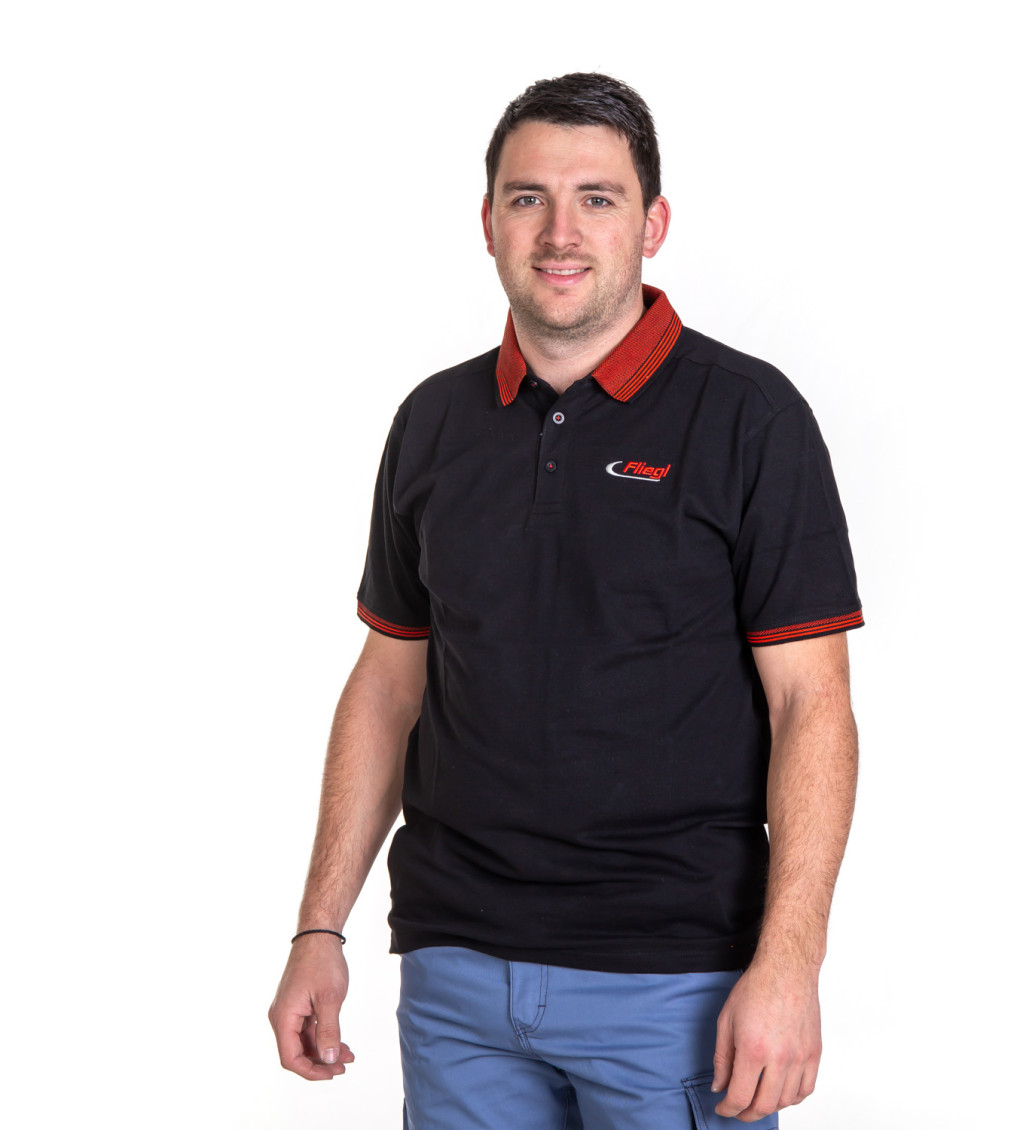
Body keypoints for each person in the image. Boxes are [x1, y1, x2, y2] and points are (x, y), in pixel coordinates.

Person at [269, 72, 863, 1129]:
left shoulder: (749, 419)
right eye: (528, 197)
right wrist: (320, 927)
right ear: (487, 222)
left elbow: (809, 705)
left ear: (652, 223)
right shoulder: (433, 423)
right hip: (455, 979)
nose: (559, 232)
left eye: (597, 198)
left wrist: (790, 963)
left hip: (676, 982)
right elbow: (389, 686)